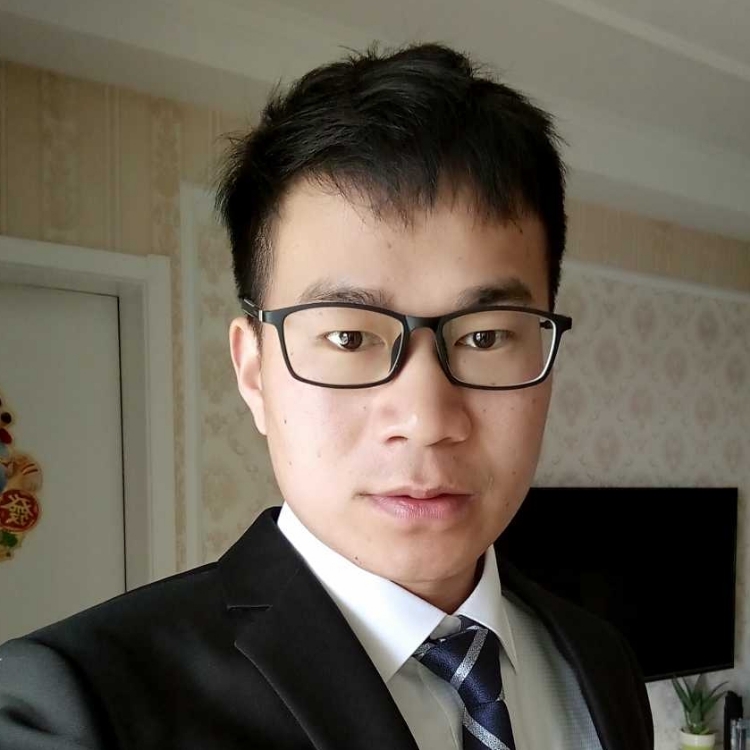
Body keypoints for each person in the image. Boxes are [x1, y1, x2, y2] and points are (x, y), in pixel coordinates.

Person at [0, 43, 653, 750]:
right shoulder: (78, 708)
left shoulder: (599, 661)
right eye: (348, 337)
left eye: (487, 336)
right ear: (254, 372)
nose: (426, 420)